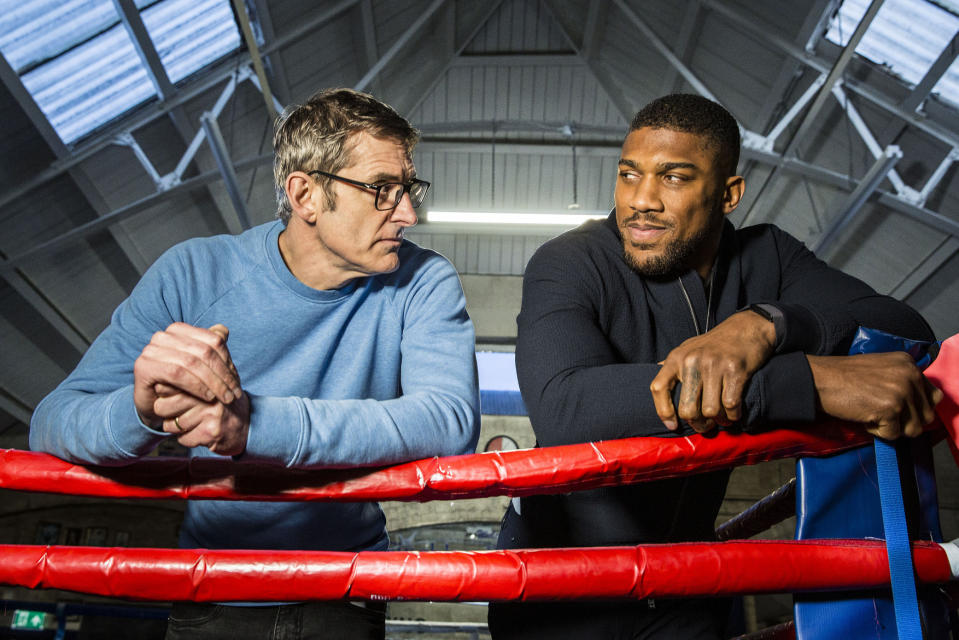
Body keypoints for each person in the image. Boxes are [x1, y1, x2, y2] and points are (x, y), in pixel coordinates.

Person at [30, 88, 481, 640]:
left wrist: (252, 425)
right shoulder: (196, 273)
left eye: (409, 189)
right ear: (306, 195)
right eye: (382, 191)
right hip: (212, 588)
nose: (408, 213)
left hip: (344, 587)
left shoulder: (423, 280)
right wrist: (144, 413)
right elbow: (52, 421)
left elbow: (448, 421)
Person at [488, 94, 942, 639]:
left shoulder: (767, 257)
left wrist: (765, 324)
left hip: (684, 584)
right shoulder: (571, 260)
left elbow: (904, 326)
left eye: (673, 178)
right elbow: (567, 405)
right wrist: (805, 382)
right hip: (562, 585)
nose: (642, 200)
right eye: (629, 175)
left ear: (729, 194)